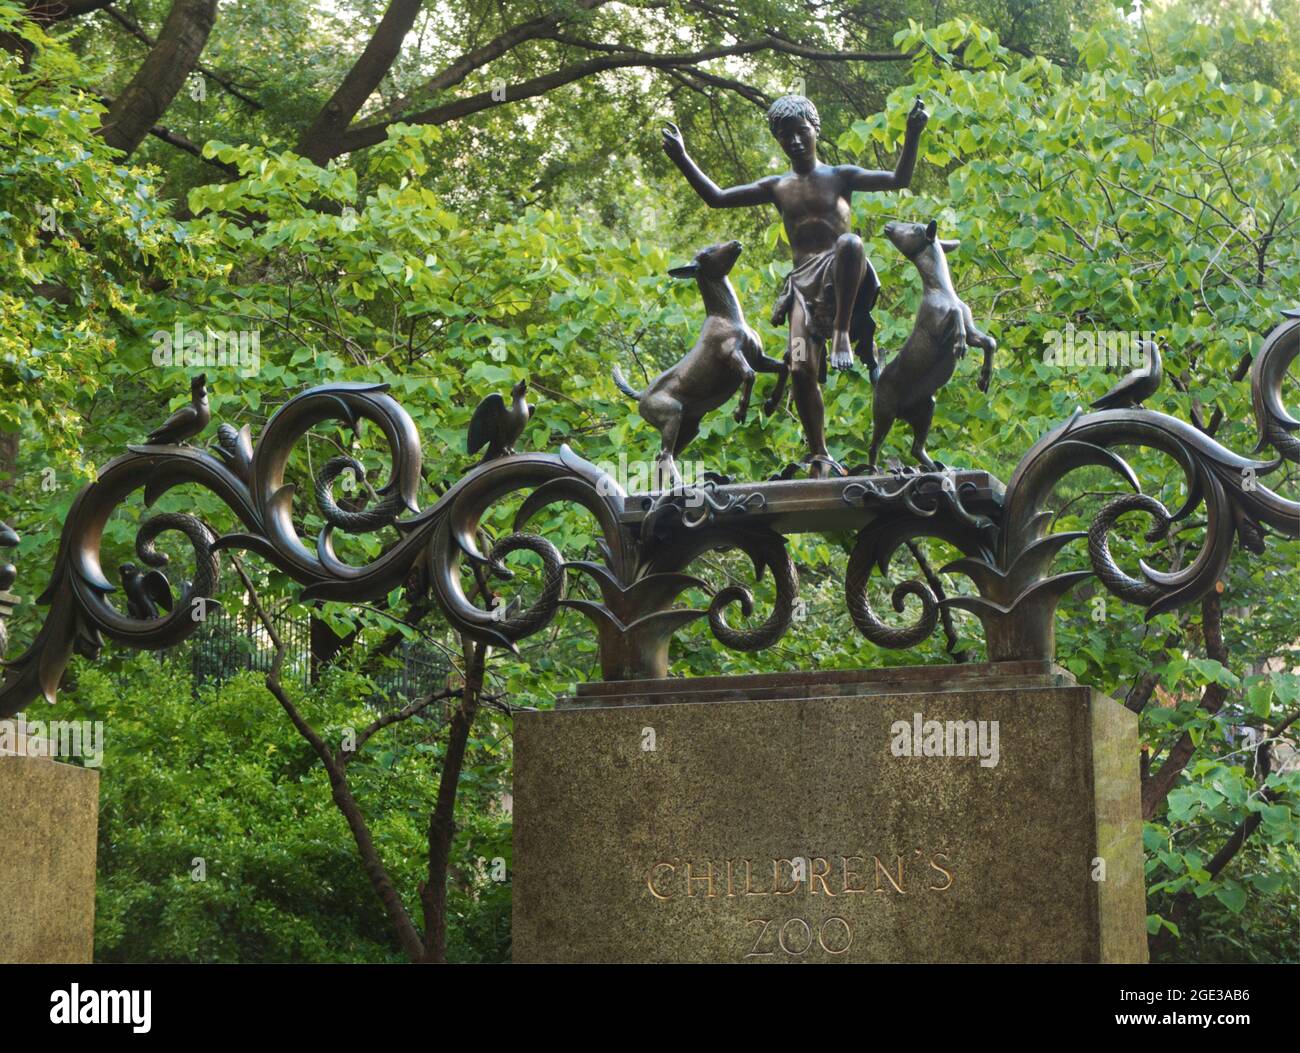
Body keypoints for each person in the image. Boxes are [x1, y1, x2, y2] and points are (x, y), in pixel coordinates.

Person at [662, 95, 929, 477]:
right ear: (779, 140)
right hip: (804, 288)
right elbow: (717, 198)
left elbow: (899, 179)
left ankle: (840, 334)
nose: (796, 142)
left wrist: (912, 133)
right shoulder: (777, 186)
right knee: (801, 365)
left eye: (801, 132)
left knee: (851, 242)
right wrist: (683, 158)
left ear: (815, 129)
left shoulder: (841, 176)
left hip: (843, 276)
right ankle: (818, 452)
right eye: (786, 136)